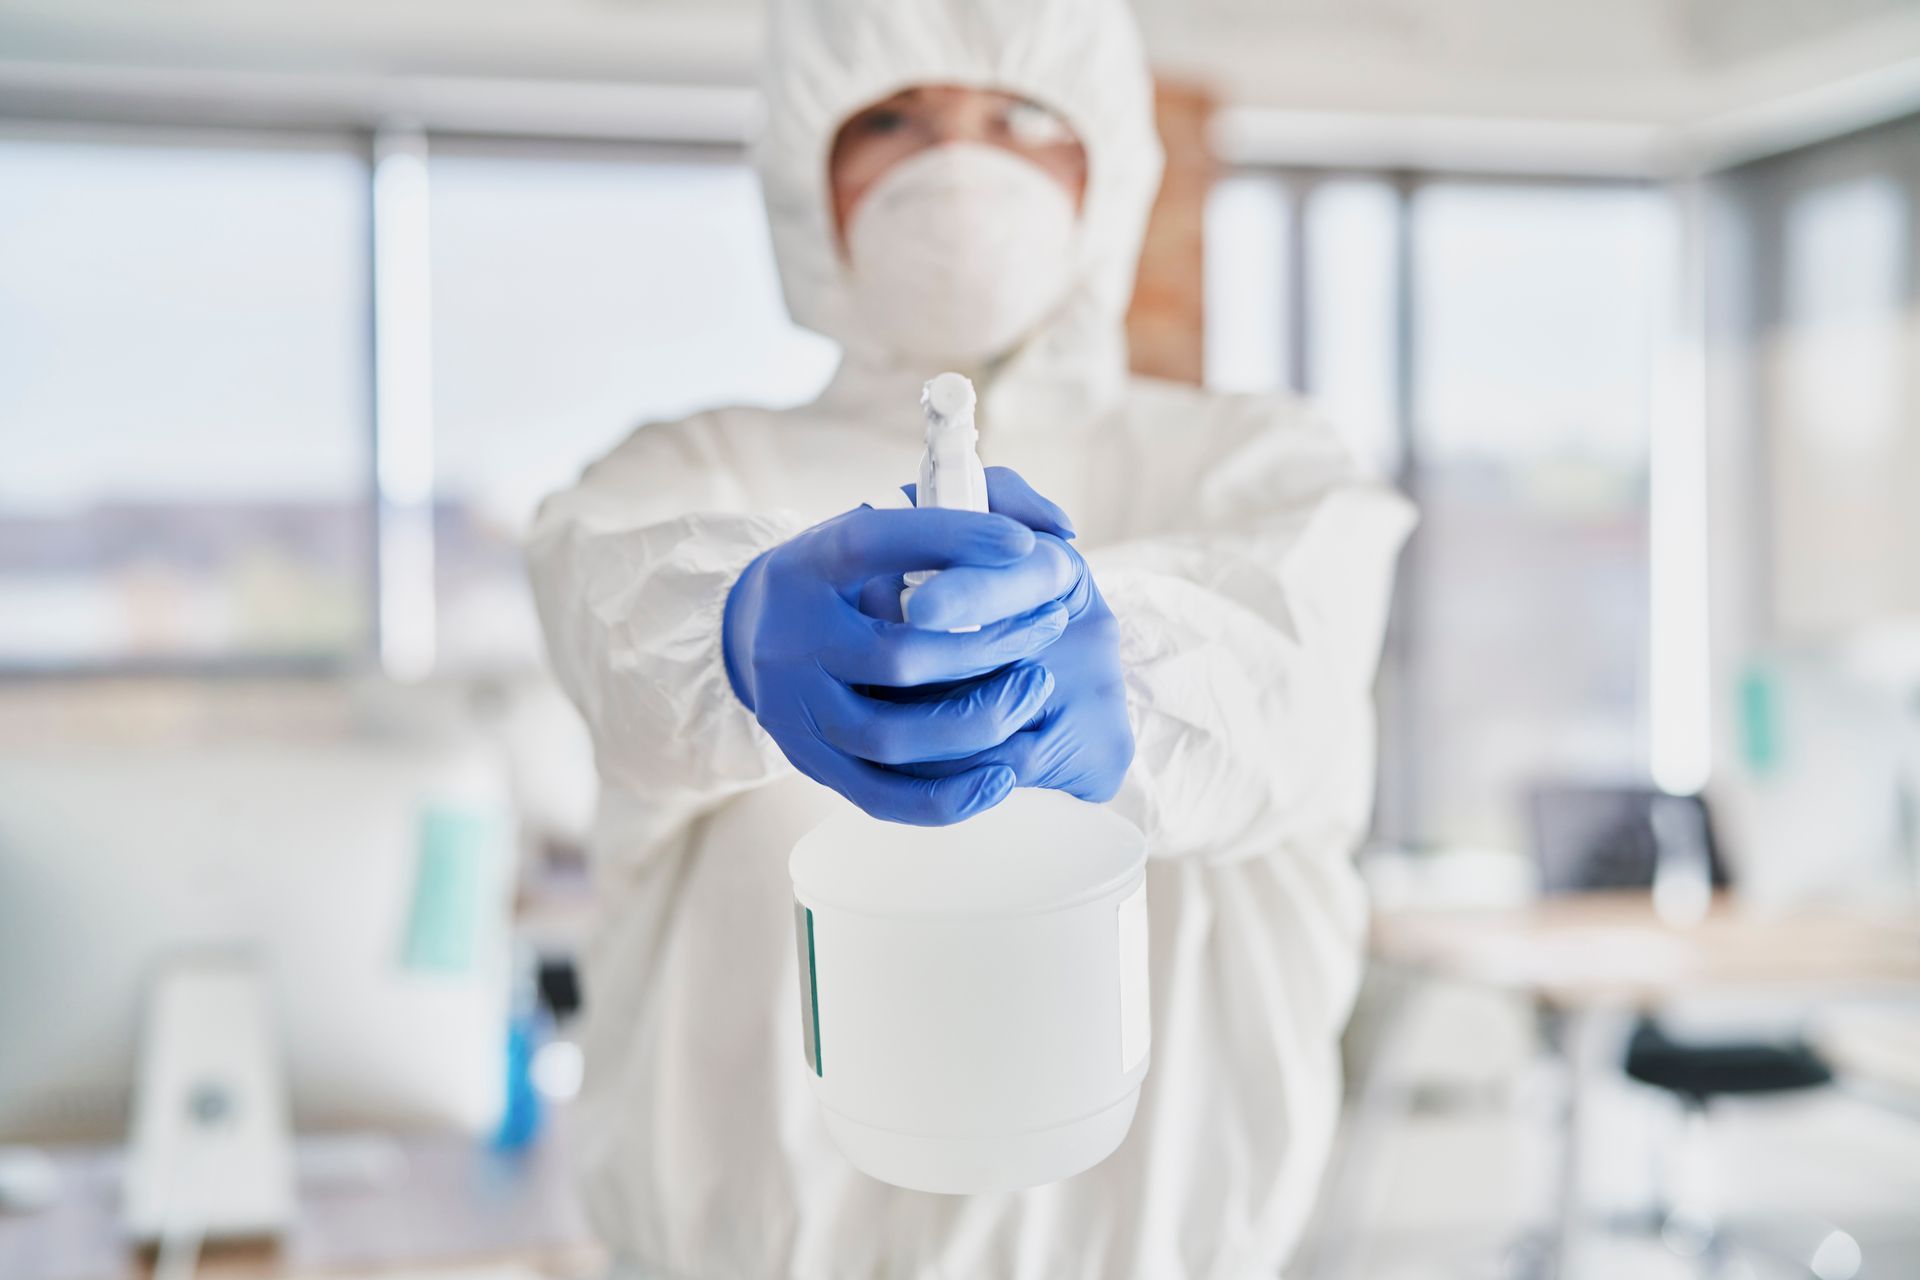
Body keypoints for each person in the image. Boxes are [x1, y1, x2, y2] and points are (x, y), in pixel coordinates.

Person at [527, 0, 1414, 1274]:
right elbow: (601, 608)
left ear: (1105, 165)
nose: (957, 170)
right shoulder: (689, 474)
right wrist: (729, 630)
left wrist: (1127, 670)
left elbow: (1289, 675)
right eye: (891, 117)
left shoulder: (1257, 466)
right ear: (803, 177)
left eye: (1020, 117)